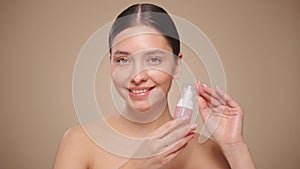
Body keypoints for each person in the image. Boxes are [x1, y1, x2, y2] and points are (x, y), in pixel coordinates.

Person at [53, 3, 256, 169]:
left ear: (177, 65)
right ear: (111, 64)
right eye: (123, 60)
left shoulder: (210, 153)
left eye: (154, 59)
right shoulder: (79, 142)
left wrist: (234, 147)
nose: (137, 76)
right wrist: (134, 166)